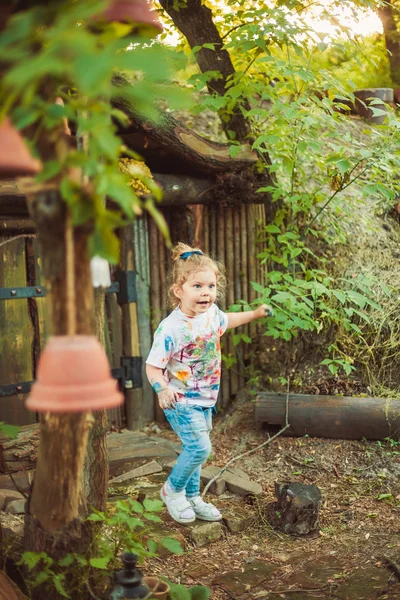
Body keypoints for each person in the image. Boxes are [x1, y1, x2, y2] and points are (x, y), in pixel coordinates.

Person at [145, 242, 273, 525]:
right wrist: (161, 388)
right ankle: (172, 491)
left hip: (206, 398)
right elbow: (153, 366)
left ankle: (193, 497)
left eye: (211, 286)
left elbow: (228, 319)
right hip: (180, 400)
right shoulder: (171, 328)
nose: (206, 293)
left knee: (195, 450)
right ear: (179, 290)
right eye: (197, 286)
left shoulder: (212, 315)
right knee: (200, 448)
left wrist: (254, 314)